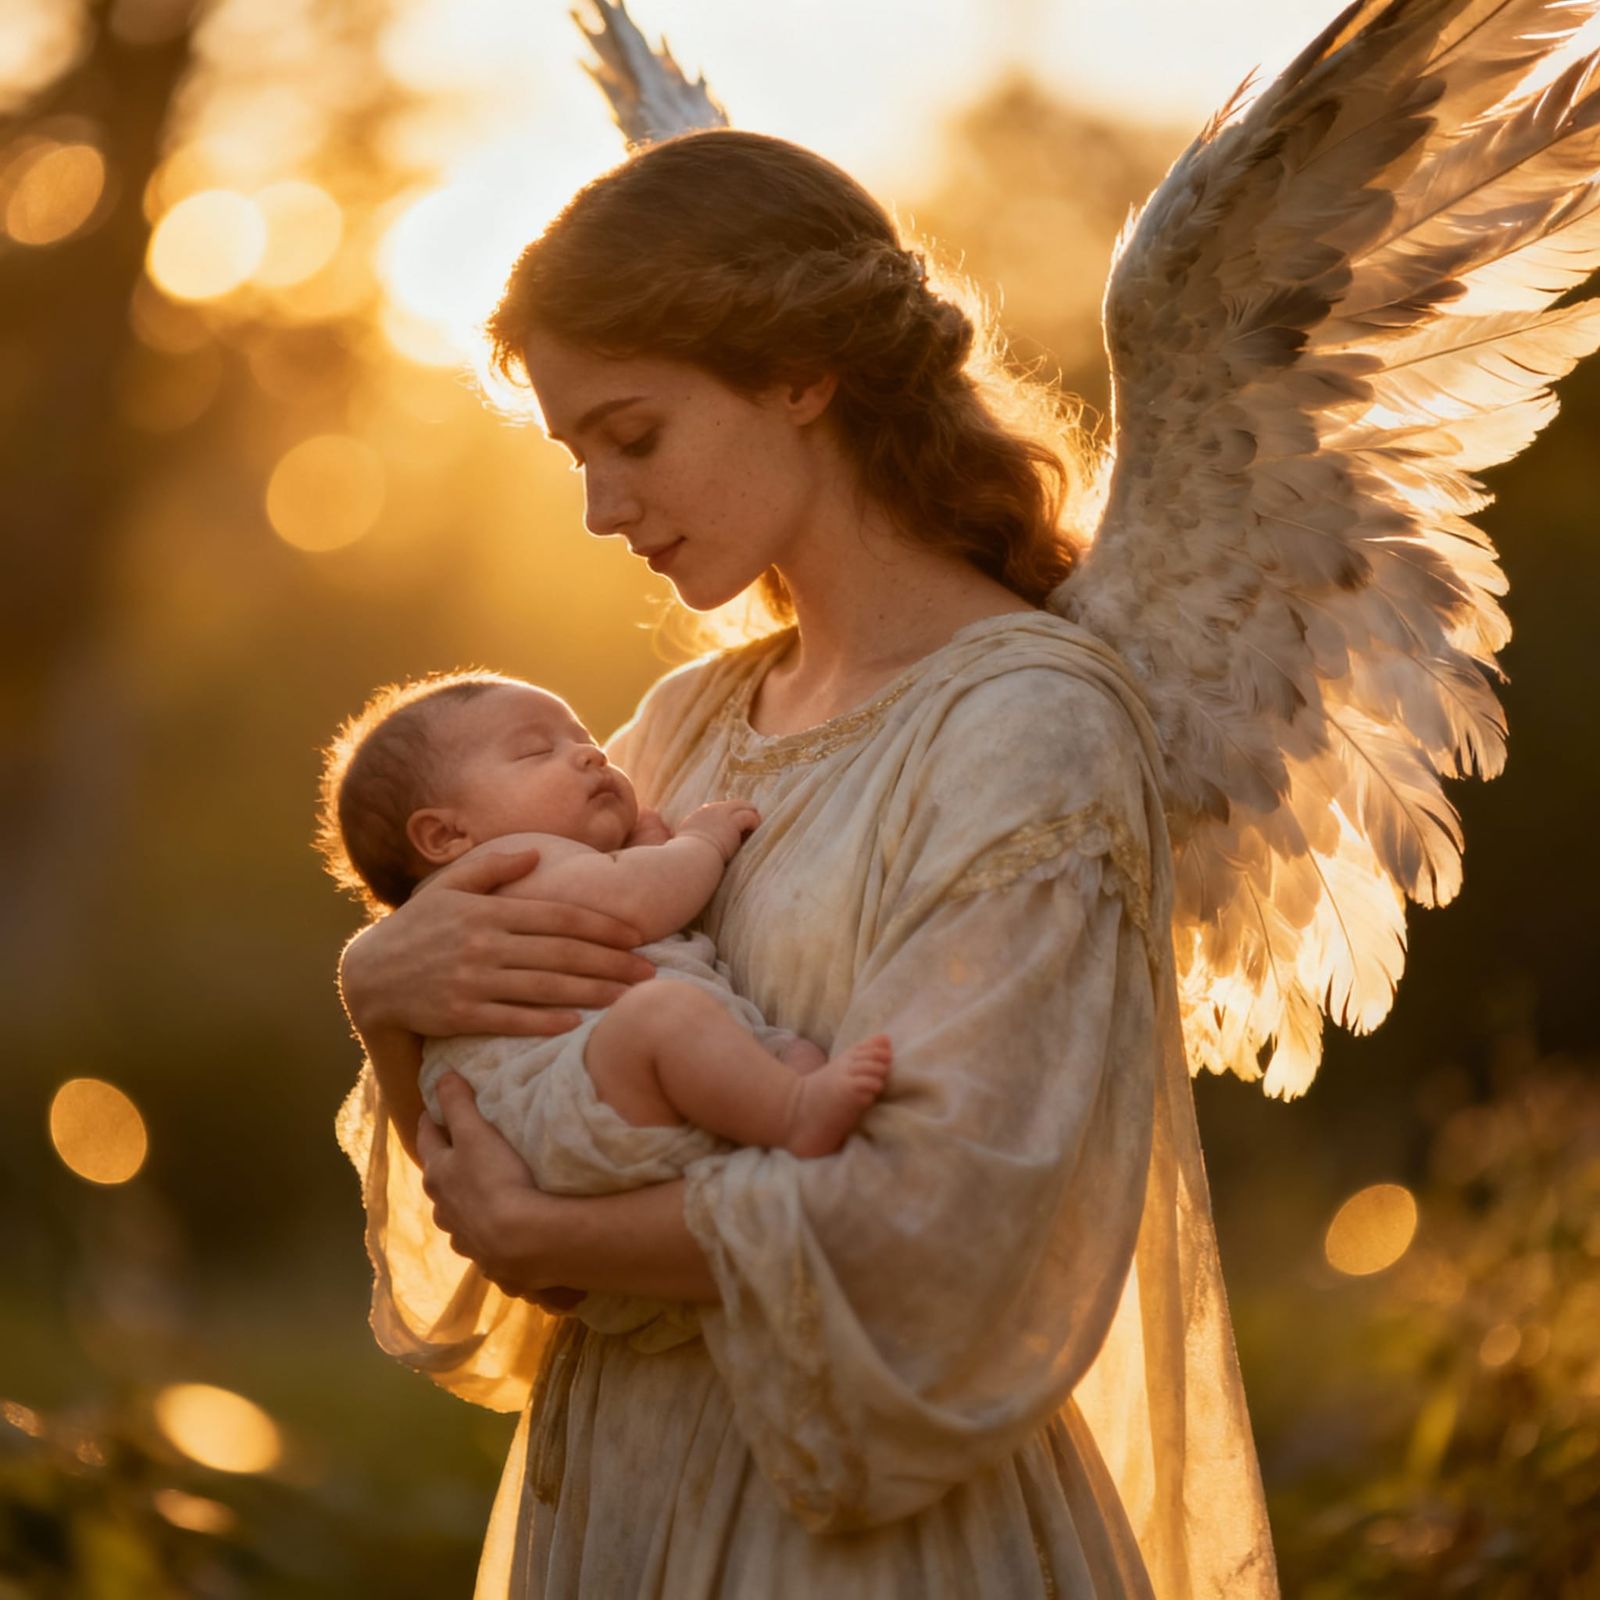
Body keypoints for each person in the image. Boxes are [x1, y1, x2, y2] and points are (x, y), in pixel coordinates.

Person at [336, 129, 1277, 1597]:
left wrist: (554, 1228)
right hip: (616, 1513)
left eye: (632, 437)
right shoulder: (679, 728)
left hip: (867, 1536)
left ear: (799, 372)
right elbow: (509, 1124)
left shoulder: (1026, 723)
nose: (600, 510)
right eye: (575, 455)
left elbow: (947, 1222)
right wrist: (387, 994)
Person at [315, 669, 891, 1189]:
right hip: (568, 1098)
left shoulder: (527, 877)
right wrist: (701, 842)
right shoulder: (504, 867)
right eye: (536, 751)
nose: (589, 756)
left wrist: (632, 845)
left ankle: (786, 1105)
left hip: (583, 1106)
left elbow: (607, 882)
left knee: (782, 1050)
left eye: (585, 739)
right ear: (446, 837)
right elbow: (637, 898)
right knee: (666, 1017)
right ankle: (794, 1113)